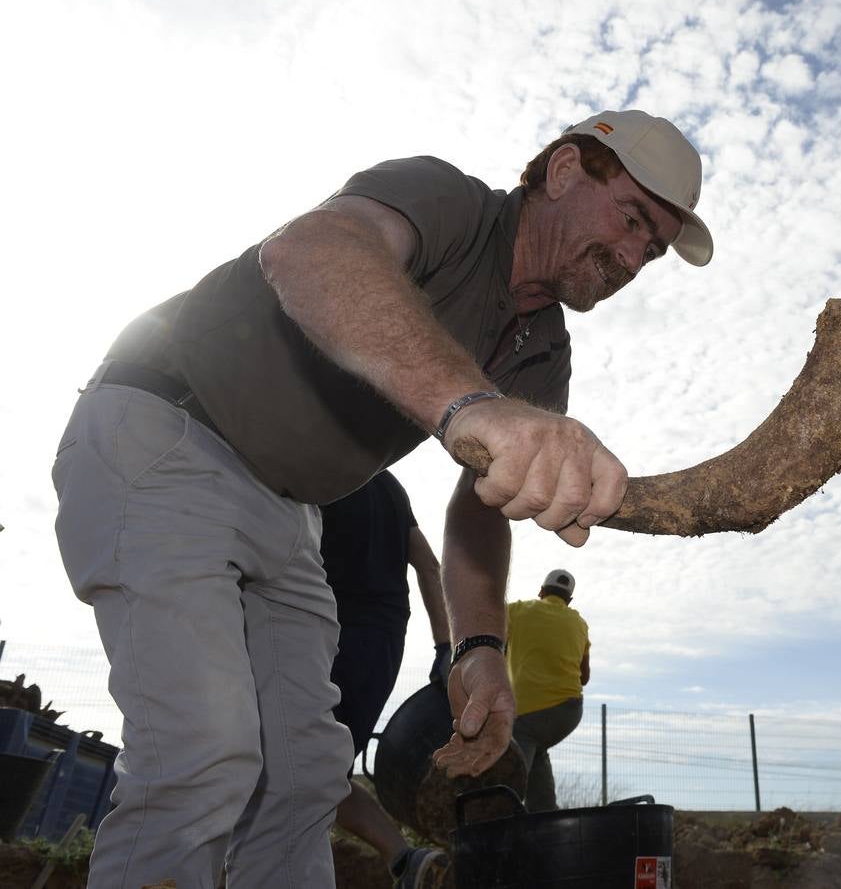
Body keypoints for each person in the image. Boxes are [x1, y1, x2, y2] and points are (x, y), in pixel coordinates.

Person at [50, 108, 712, 887]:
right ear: (564, 171)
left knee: (306, 775)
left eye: (653, 248)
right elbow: (311, 251)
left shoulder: (542, 351)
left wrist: (479, 651)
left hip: (292, 513)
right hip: (170, 432)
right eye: (632, 219)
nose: (634, 257)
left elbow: (480, 507)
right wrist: (472, 405)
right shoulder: (448, 204)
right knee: (201, 750)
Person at [320, 470, 449, 887]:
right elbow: (429, 566)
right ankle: (405, 860)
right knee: (329, 770)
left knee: (294, 766)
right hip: (384, 639)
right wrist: (446, 648)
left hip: (322, 626)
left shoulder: (316, 466)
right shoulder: (390, 486)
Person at [506, 568, 591, 811]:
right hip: (569, 712)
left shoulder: (517, 611)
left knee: (510, 771)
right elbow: (584, 677)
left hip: (529, 715)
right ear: (569, 599)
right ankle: (544, 816)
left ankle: (500, 814)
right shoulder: (579, 623)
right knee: (537, 751)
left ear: (541, 591)